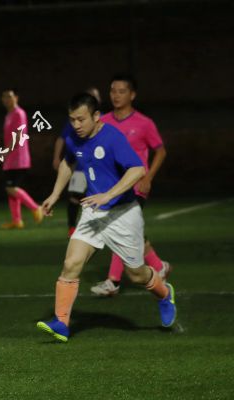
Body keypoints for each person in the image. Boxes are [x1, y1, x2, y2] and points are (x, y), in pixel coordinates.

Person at [36, 93, 176, 342]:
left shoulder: (112, 137)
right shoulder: (73, 137)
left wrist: (107, 195)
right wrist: (55, 194)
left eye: (81, 119)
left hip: (123, 213)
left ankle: (164, 294)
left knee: (136, 275)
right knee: (71, 263)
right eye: (72, 119)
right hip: (93, 212)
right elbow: (68, 162)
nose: (76, 125)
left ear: (97, 116)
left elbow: (137, 170)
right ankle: (62, 323)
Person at [90, 74, 171, 297]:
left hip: (135, 187)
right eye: (113, 91)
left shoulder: (144, 123)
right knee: (130, 231)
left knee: (120, 228)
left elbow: (161, 151)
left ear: (132, 95)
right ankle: (159, 265)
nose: (116, 95)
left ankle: (113, 281)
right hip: (112, 189)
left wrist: (148, 177)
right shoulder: (103, 122)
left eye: (122, 91)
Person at [52, 87, 101, 237]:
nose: (76, 124)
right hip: (80, 170)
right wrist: (57, 157)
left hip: (100, 172)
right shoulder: (75, 123)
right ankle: (72, 227)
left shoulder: (105, 122)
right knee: (75, 197)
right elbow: (62, 139)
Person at [0, 89, 44, 229]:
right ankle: (17, 220)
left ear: (16, 98)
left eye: (10, 96)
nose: (7, 99)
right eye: (5, 97)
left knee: (11, 188)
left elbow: (18, 135)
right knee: (11, 189)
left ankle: (35, 207)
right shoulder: (9, 115)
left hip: (18, 157)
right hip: (10, 159)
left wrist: (6, 151)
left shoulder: (19, 113)